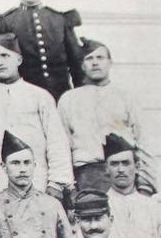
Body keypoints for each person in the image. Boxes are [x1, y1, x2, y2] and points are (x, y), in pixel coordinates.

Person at [0, 34, 72, 199]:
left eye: (5, 56)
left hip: (38, 183)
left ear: (19, 59)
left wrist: (57, 182)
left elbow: (56, 141)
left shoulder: (39, 96)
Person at [59, 38, 155, 195]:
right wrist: (69, 186)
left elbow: (143, 141)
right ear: (82, 65)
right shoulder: (69, 100)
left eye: (100, 58)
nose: (95, 63)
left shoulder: (126, 97)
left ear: (110, 62)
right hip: (87, 174)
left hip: (125, 173)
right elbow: (63, 145)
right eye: (89, 59)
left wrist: (146, 185)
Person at [0, 0, 84, 103]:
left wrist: (80, 97)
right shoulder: (5, 22)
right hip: (21, 100)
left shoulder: (60, 20)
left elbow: (76, 64)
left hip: (60, 96)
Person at [0, 133, 76, 238]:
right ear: (3, 167)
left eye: (27, 163)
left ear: (35, 165)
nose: (22, 169)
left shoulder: (52, 204)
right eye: (15, 163)